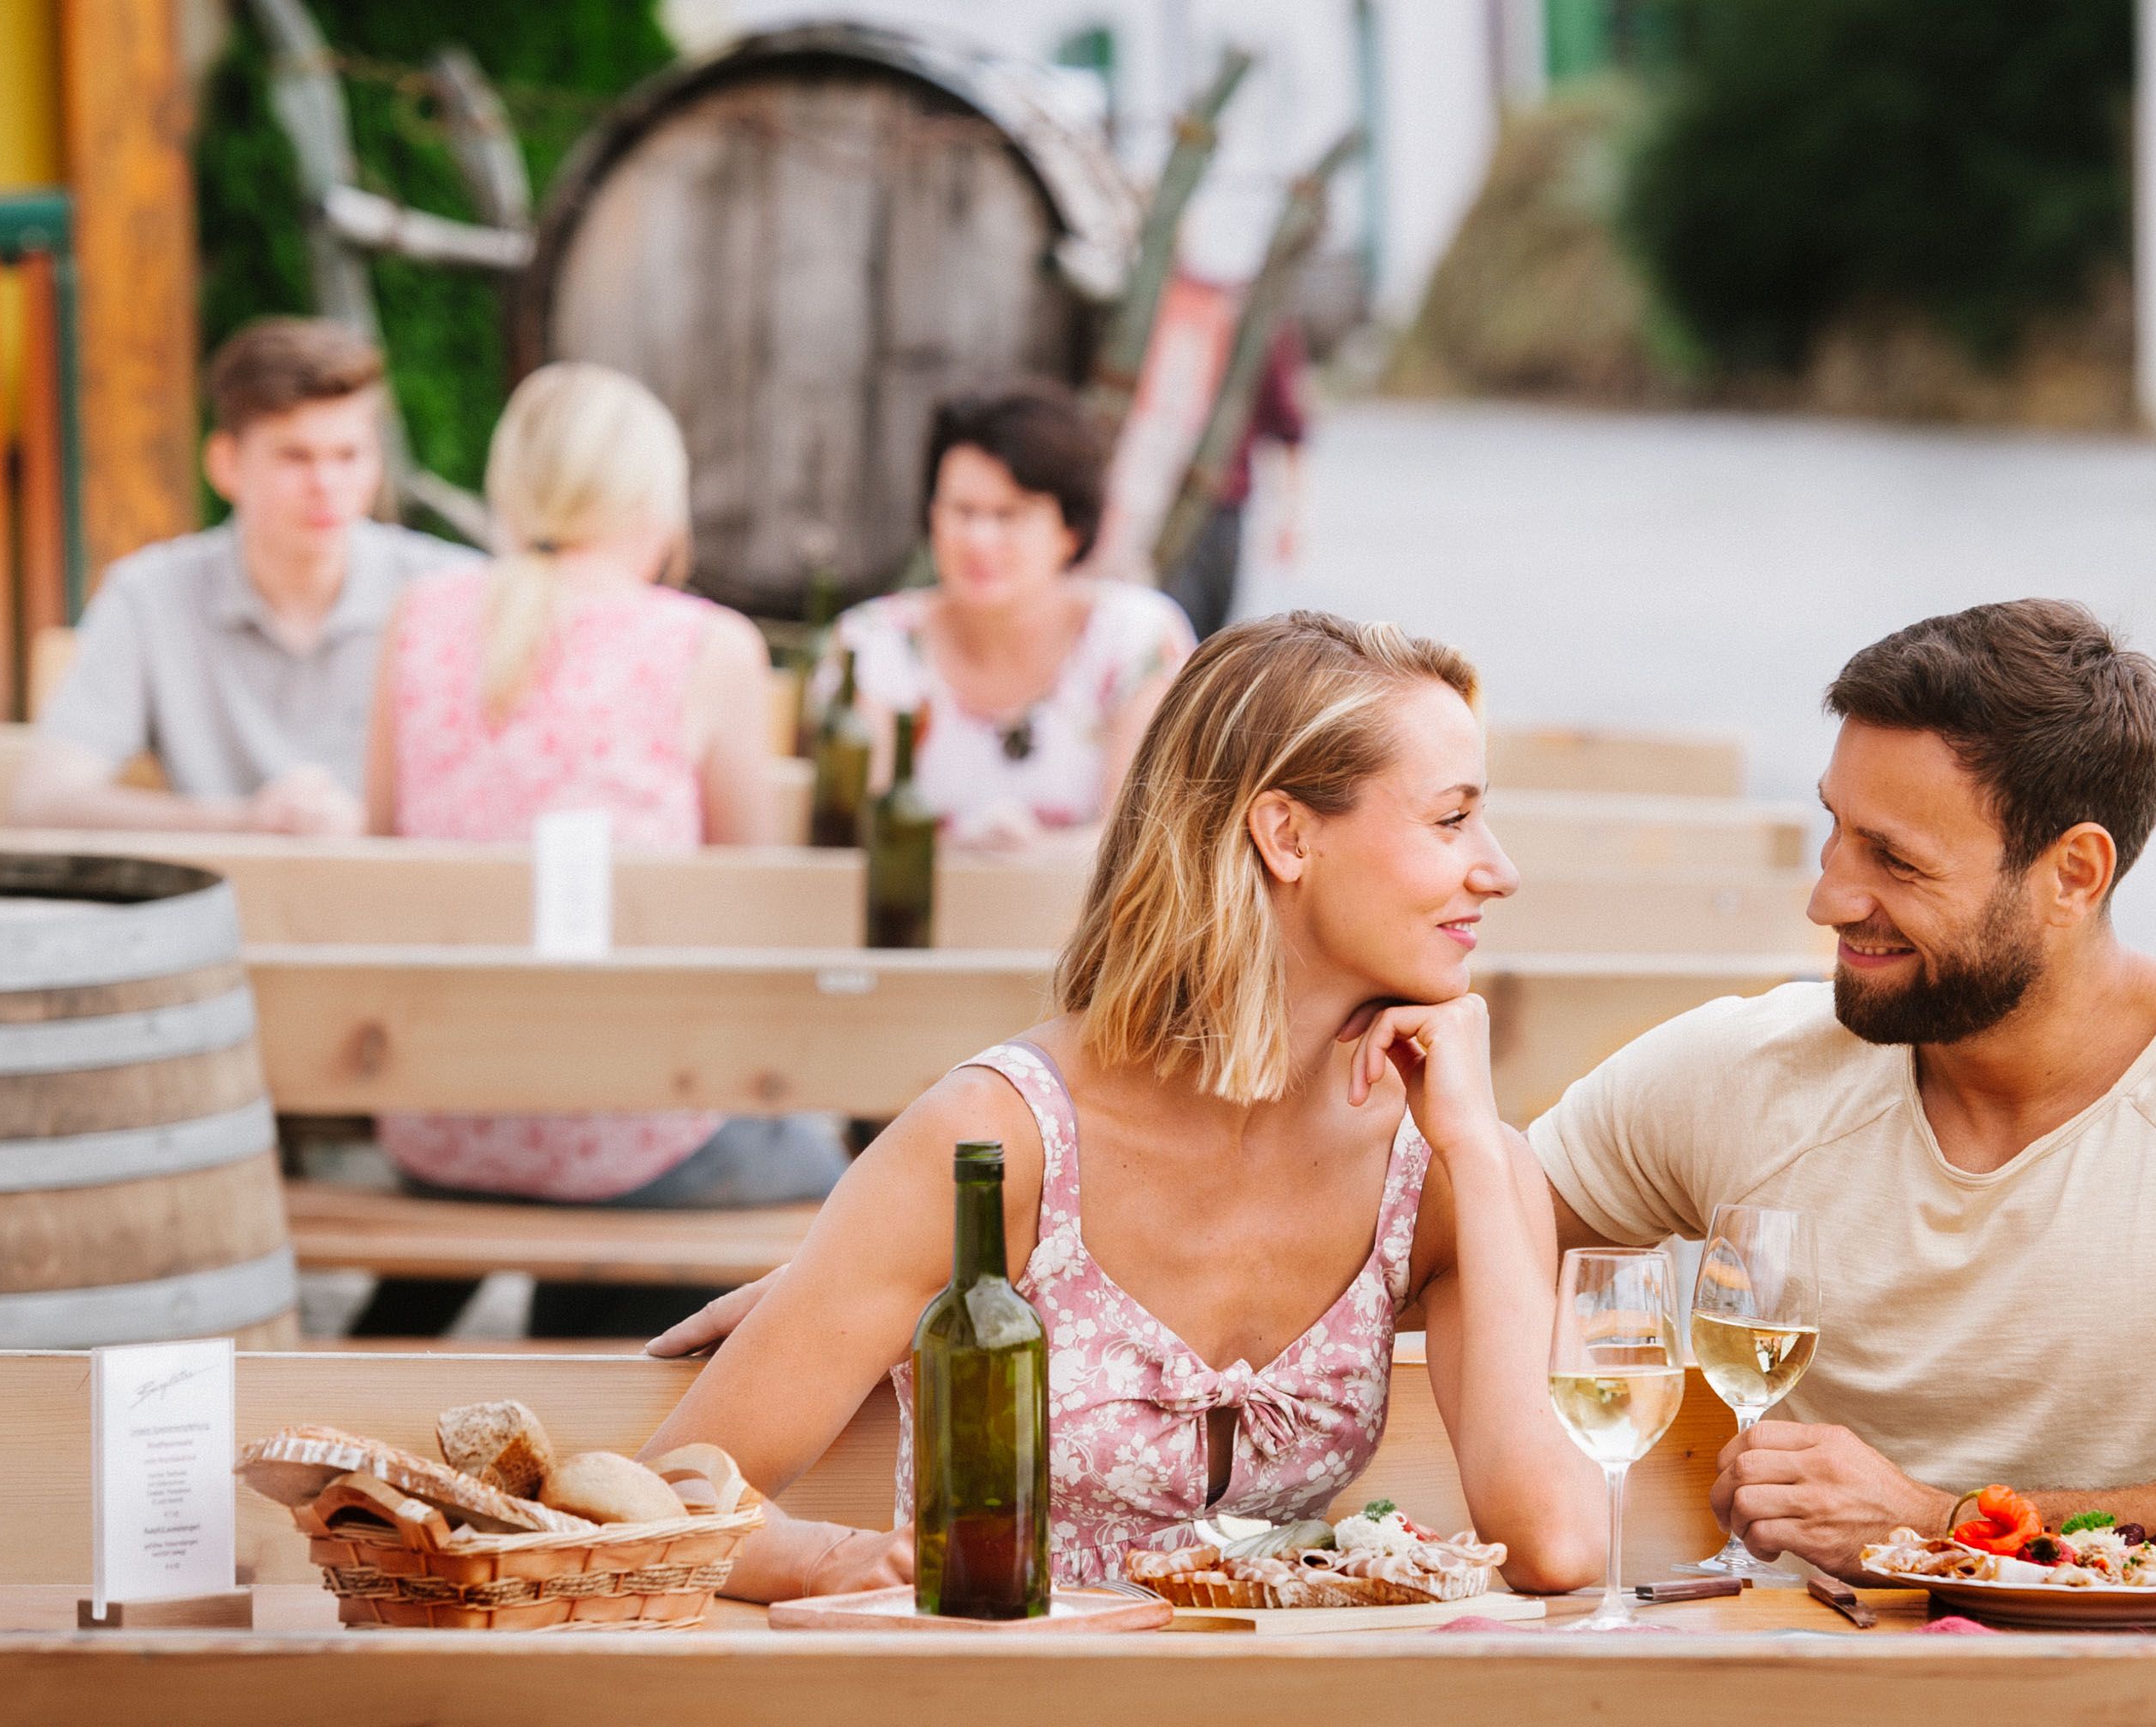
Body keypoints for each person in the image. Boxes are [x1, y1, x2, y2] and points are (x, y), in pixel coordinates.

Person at [640, 612, 1600, 1598]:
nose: (1498, 867)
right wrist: (853, 1560)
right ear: (1287, 835)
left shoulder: (1440, 1158)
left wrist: (1479, 1150)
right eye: (1451, 819)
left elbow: (1558, 1544)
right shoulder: (1001, 1139)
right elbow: (676, 1490)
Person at [1531, 599, 2156, 1575]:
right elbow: (1429, 1248)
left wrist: (1939, 1524)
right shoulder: (1745, 1072)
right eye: (1836, 830)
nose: (1830, 898)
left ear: (2073, 872)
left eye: (1895, 858)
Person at [353, 362, 843, 1339]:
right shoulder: (707, 644)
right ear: (654, 499)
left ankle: (550, 1325)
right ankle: (590, 1344)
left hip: (435, 1119)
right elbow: (754, 902)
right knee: (838, 1169)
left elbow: (379, 847)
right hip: (635, 1135)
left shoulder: (421, 616)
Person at [16, 318, 474, 832]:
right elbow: (44, 801)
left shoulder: (454, 589)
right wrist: (245, 823)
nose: (326, 483)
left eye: (349, 455)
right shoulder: (149, 596)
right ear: (226, 464)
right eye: (294, 456)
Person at [818, 382, 1193, 854]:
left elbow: (1147, 844)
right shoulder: (873, 641)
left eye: (1010, 515)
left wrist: (1027, 859)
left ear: (1071, 531)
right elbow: (856, 842)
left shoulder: (1136, 637)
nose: (979, 539)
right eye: (962, 510)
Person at [1162, 320, 1309, 636]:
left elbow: (1289, 429)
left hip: (1219, 507)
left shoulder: (1261, 327)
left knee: (1205, 628)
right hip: (1155, 502)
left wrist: (1289, 521)